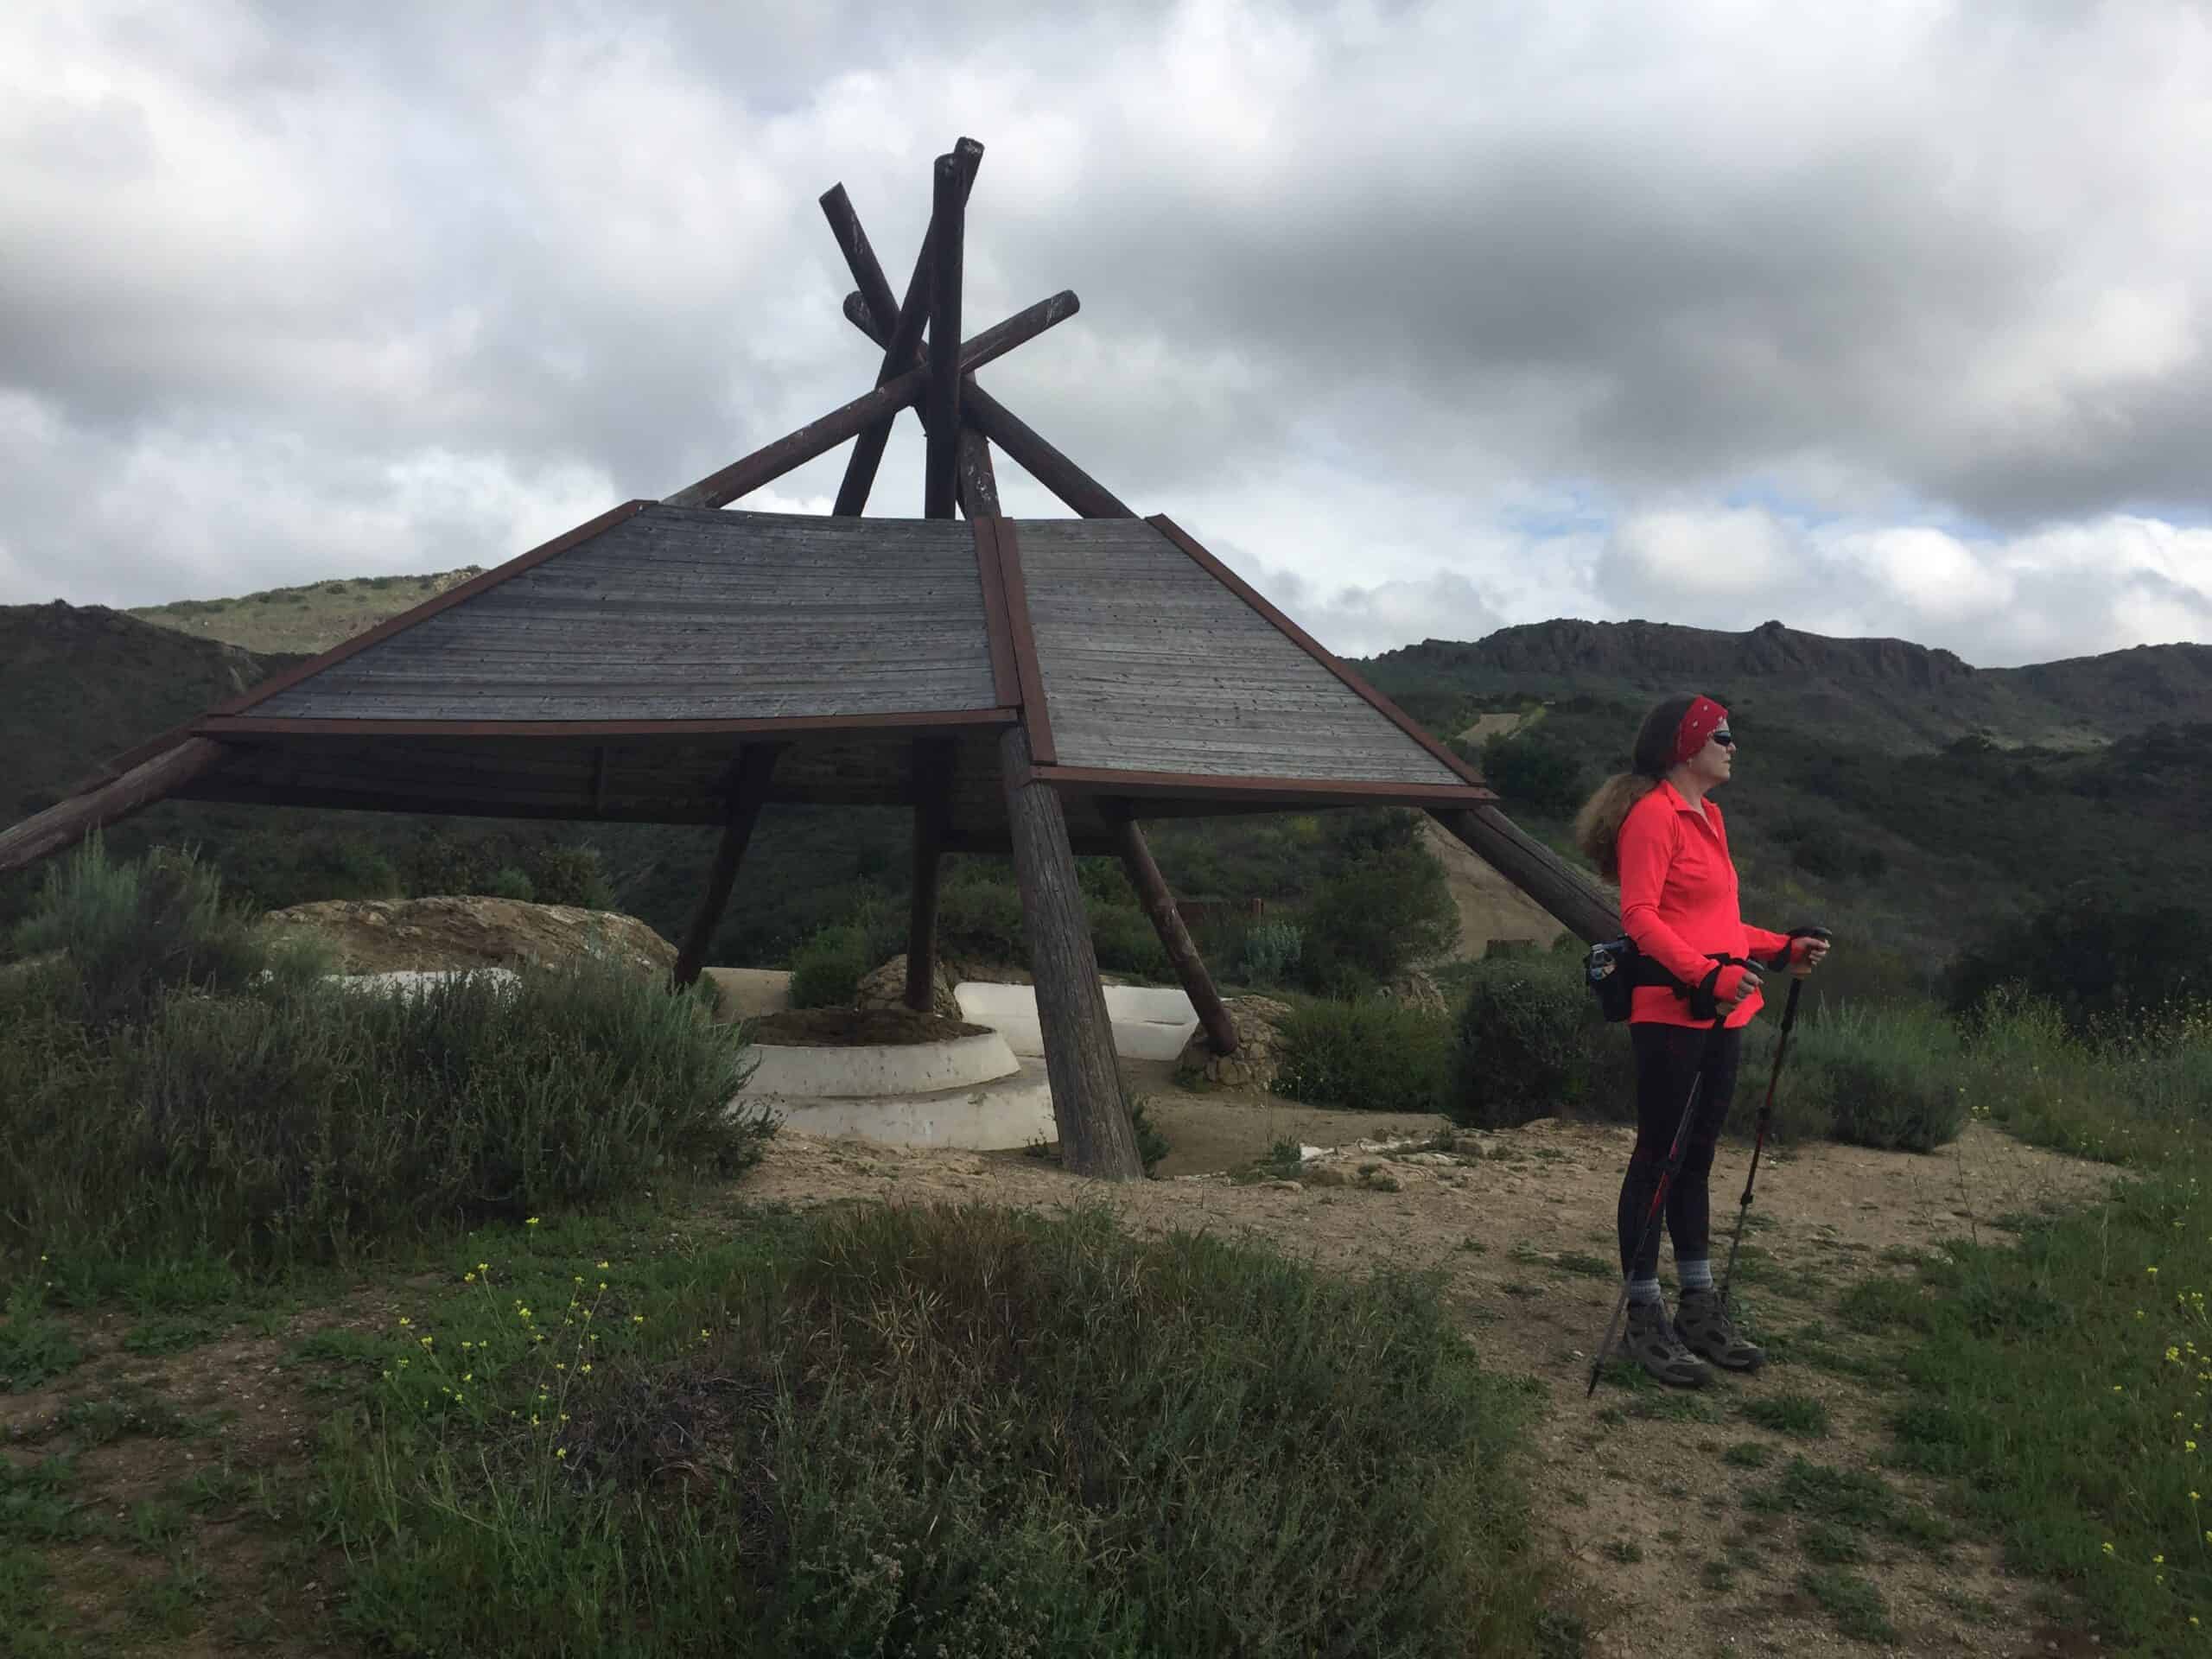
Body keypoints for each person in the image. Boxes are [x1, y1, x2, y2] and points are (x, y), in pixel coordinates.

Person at [1571, 695, 1830, 1387]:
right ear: (1685, 746)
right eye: (1720, 735)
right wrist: (1705, 975)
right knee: (1659, 1157)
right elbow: (1640, 918)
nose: (1731, 745)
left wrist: (1779, 950)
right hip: (1670, 1013)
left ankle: (1696, 1303)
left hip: (1722, 1014)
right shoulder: (1653, 817)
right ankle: (1644, 1315)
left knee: (1696, 1159)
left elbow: (1722, 923)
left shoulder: (1707, 816)